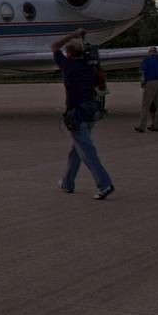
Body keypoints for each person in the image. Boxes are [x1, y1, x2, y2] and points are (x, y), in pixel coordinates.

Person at [51, 28, 115, 200]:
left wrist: (73, 34)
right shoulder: (90, 67)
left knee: (87, 151)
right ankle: (67, 182)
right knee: (76, 149)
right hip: (90, 112)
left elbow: (54, 46)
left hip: (76, 114)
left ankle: (104, 184)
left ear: (69, 53)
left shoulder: (68, 66)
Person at [136, 45, 158, 132]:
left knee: (146, 105)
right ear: (156, 53)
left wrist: (142, 82)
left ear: (150, 52)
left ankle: (142, 126)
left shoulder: (147, 60)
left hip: (150, 82)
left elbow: (143, 72)